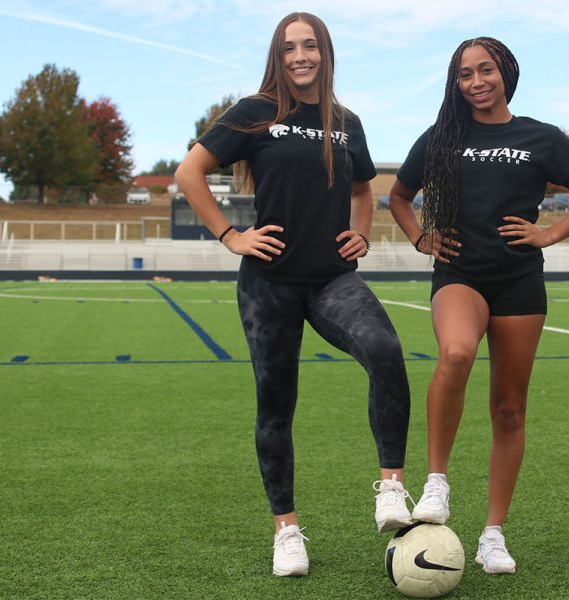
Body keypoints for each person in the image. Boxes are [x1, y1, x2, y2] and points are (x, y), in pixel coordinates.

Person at [175, 12, 413, 577]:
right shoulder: (255, 112)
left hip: (332, 278)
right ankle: (287, 531)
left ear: (325, 53)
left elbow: (363, 186)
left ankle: (390, 487)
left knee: (385, 351)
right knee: (275, 406)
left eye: (309, 46)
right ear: (277, 57)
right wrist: (232, 235)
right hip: (269, 283)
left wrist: (362, 231)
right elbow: (190, 172)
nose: (300, 56)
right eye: (289, 48)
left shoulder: (345, 121)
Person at [389, 37, 569, 574]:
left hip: (519, 283)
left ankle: (493, 534)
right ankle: (436, 483)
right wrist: (423, 239)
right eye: (464, 75)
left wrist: (549, 234)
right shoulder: (443, 137)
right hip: (460, 274)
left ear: (506, 73)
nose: (476, 82)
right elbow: (397, 196)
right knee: (456, 354)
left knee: (509, 409)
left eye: (484, 70)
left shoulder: (541, 136)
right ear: (456, 84)